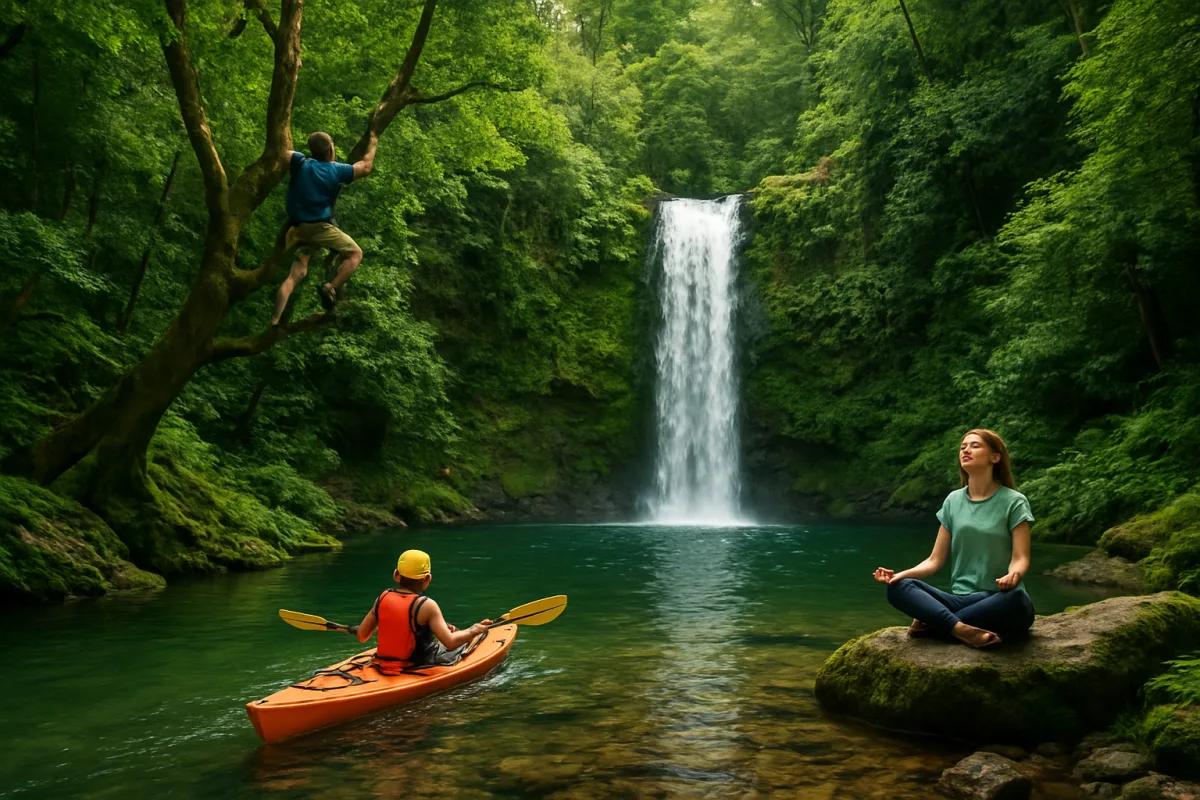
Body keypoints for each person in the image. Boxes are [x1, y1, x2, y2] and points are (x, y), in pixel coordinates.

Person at [872, 429, 1035, 648]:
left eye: (975, 445)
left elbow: (1021, 557)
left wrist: (1013, 575)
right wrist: (898, 576)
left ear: (994, 457)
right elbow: (934, 561)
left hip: (999, 597)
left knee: (1018, 600)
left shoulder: (1014, 501)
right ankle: (959, 629)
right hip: (960, 598)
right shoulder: (953, 501)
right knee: (899, 588)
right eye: (963, 447)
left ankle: (934, 621)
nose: (966, 450)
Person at [270, 130, 378, 325]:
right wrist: (373, 142)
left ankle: (275, 320)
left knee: (296, 274)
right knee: (355, 254)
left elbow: (282, 152)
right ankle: (330, 286)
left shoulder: (300, 162)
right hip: (318, 229)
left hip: (295, 229)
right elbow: (366, 167)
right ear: (330, 150)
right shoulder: (335, 170)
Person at [350, 549, 492, 674]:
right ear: (427, 579)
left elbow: (362, 636)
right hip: (418, 664)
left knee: (448, 632)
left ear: (396, 575)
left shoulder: (382, 597)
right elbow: (450, 642)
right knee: (467, 641)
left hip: (383, 661)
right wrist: (474, 630)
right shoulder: (427, 605)